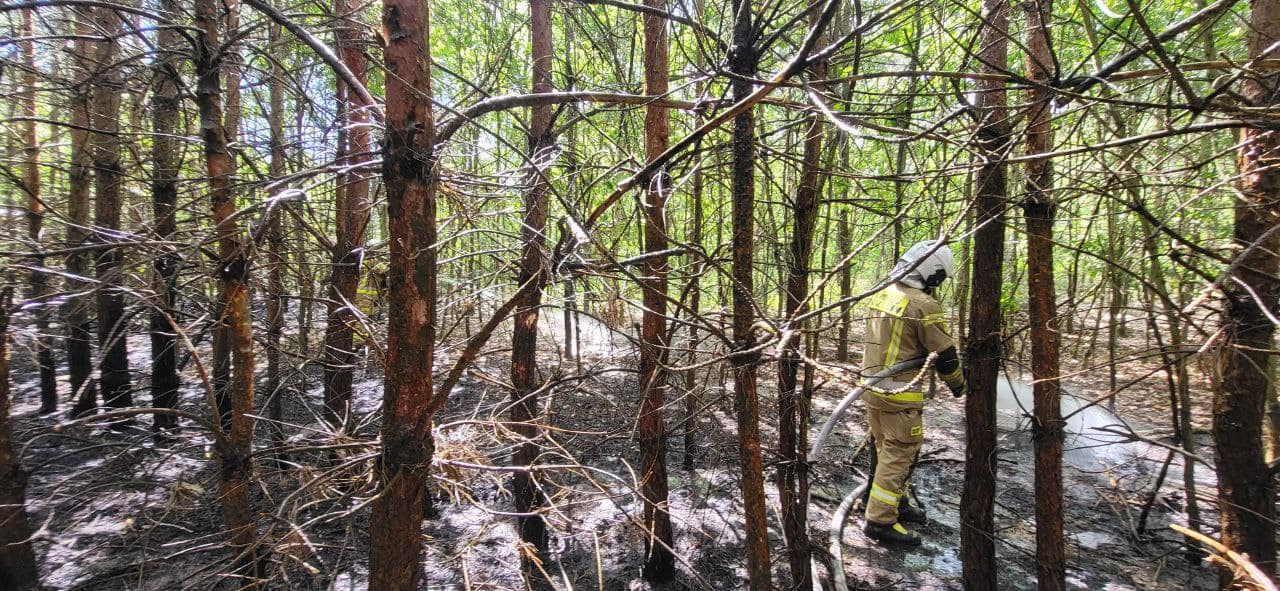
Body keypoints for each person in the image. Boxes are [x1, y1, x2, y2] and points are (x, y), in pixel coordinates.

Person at [859, 240, 967, 546]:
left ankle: (894, 503)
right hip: (899, 394)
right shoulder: (923, 304)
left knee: (885, 447)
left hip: (872, 388)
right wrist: (959, 384)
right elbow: (945, 355)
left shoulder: (883, 293)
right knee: (899, 452)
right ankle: (880, 521)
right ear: (931, 273)